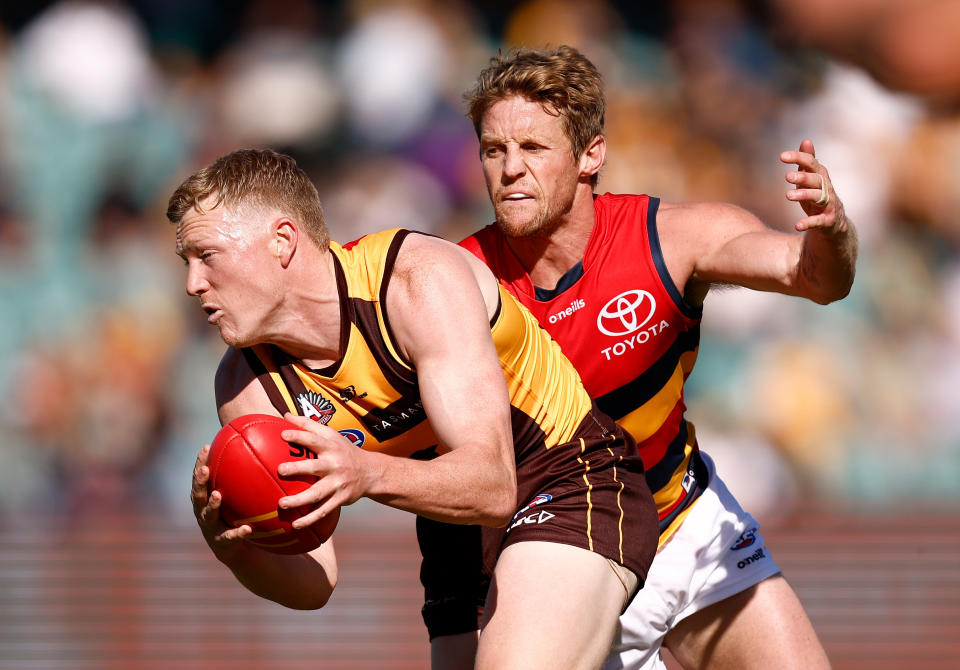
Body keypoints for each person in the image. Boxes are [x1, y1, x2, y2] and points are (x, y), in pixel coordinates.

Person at [436, 45, 857, 670]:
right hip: (571, 564)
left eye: (533, 149)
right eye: (494, 151)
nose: (510, 170)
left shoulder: (668, 240)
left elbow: (817, 279)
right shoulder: (457, 285)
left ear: (591, 155)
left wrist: (832, 227)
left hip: (688, 526)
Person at [167, 148, 659, 670]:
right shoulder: (247, 387)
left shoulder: (411, 280)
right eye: (187, 263)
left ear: (282, 240)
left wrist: (364, 472)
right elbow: (316, 583)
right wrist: (234, 549)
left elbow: (493, 484)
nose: (192, 284)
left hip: (567, 477)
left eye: (208, 255)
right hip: (452, 529)